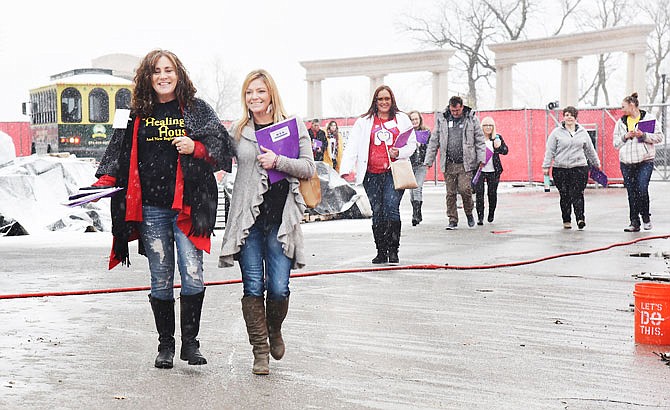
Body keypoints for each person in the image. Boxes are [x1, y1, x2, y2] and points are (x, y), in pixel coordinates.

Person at [94, 49, 234, 369]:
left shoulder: (197, 110)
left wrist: (195, 147)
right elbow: (117, 153)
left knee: (194, 275)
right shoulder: (133, 113)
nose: (163, 76)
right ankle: (165, 346)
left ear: (179, 73)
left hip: (188, 207)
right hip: (152, 210)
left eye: (168, 70)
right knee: (160, 278)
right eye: (156, 71)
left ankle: (191, 343)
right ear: (147, 77)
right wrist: (103, 181)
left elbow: (223, 151)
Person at [218, 69, 315, 375]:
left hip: (280, 221)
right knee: (252, 286)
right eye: (249, 92)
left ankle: (274, 329)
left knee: (278, 288)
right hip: (249, 221)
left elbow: (309, 167)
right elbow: (216, 156)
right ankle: (260, 351)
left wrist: (278, 162)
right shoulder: (238, 130)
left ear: (271, 93)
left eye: (260, 91)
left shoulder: (293, 126)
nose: (254, 97)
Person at [340, 85, 416, 264]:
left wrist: (400, 152)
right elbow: (353, 146)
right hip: (371, 174)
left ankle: (393, 249)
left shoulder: (402, 119)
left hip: (393, 172)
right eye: (380, 99)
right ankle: (381, 250)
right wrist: (345, 168)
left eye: (387, 99)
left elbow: (411, 144)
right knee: (378, 211)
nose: (384, 102)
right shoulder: (364, 122)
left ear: (392, 100)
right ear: (375, 101)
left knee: (391, 207)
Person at [423, 96, 486, 230]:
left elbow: (479, 140)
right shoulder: (443, 119)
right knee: (450, 193)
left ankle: (469, 212)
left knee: (465, 190)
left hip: (466, 163)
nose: (455, 113)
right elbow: (434, 141)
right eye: (452, 110)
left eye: (457, 110)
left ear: (462, 107)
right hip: (449, 163)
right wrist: (429, 160)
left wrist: (482, 158)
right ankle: (452, 219)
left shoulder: (471, 119)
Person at [542, 106, 600, 230]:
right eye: (566, 115)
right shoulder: (556, 133)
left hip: (579, 167)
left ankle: (580, 218)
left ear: (575, 117)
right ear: (563, 117)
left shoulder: (583, 132)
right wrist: (546, 166)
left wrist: (596, 163)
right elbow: (550, 150)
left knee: (578, 194)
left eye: (571, 115)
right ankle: (566, 219)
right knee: (565, 195)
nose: (569, 117)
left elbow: (590, 149)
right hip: (560, 168)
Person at [613, 92, 664, 232]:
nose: (621, 110)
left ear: (632, 105)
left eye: (623, 106)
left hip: (644, 161)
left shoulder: (649, 119)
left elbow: (659, 138)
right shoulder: (621, 123)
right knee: (631, 192)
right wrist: (625, 136)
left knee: (642, 189)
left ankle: (646, 217)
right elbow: (615, 144)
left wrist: (644, 135)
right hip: (626, 163)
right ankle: (634, 222)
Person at [474, 116, 509, 225]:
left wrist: (498, 147)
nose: (488, 127)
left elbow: (505, 151)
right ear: (482, 127)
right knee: (479, 194)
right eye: (485, 125)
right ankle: (480, 216)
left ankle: (491, 213)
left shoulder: (497, 138)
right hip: (480, 170)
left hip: (494, 170)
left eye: (490, 125)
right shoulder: (477, 138)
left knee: (492, 193)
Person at [408, 110, 431, 226]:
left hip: (421, 164)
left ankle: (415, 215)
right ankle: (416, 211)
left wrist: (422, 146)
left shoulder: (425, 132)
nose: (414, 121)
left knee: (417, 187)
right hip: (409, 164)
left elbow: (430, 148)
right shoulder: (406, 133)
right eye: (412, 119)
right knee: (411, 190)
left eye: (416, 119)